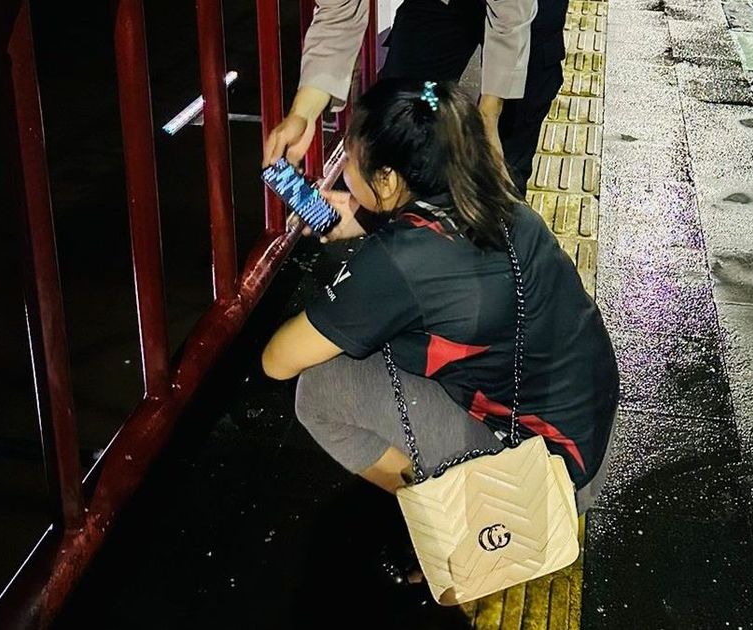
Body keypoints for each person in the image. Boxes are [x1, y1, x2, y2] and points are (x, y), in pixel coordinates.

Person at [261, 78, 618, 528]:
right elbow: (441, 260)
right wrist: (372, 218)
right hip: (588, 427)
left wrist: (362, 274)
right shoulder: (492, 194)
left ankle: (455, 521)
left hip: (542, 477)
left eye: (351, 158)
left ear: (388, 179)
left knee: (320, 389)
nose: (345, 169)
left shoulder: (396, 264)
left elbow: (278, 360)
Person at [263, 0, 568, 194]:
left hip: (526, 9)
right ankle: (406, 245)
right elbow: (338, 13)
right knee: (398, 116)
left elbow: (512, 16)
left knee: (503, 150)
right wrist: (302, 113)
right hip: (437, 4)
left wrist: (488, 118)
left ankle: (504, 255)